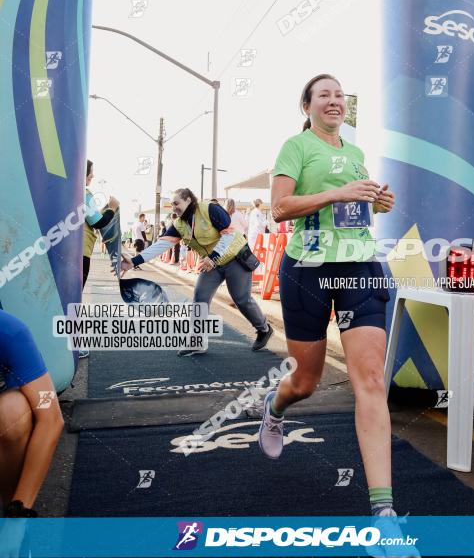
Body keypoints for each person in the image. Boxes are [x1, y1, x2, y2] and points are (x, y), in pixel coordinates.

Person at [258, 73, 396, 518]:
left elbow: (353, 209)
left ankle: (384, 513)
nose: (334, 101)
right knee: (306, 382)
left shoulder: (355, 154)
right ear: (308, 107)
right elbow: (280, 208)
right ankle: (276, 406)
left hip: (359, 266)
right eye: (324, 95)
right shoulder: (295, 147)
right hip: (308, 269)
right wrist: (337, 192)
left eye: (339, 95)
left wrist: (377, 202)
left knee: (371, 381)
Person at [120, 189, 273, 353]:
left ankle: (264, 329)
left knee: (241, 299)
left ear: (188, 200)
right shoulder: (179, 224)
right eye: (172, 205)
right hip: (212, 264)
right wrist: (133, 262)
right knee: (200, 297)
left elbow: (228, 234)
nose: (173, 208)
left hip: (234, 257)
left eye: (176, 203)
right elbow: (160, 246)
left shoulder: (209, 209)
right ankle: (197, 341)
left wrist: (213, 257)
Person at [0, 310, 64, 518]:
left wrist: (18, 515)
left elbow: (51, 418)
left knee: (13, 410)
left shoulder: (9, 331)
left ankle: (10, 510)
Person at [83, 160, 119, 288]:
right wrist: (112, 208)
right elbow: (99, 222)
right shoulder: (84, 193)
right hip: (81, 252)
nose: (92, 176)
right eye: (90, 172)